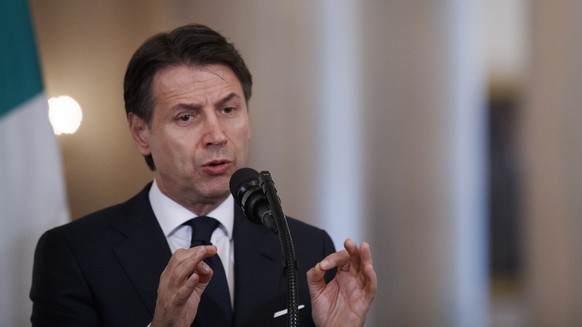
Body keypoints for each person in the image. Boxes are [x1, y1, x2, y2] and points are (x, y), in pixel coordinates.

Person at [30, 23, 376, 327]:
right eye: (186, 117)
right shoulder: (75, 253)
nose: (216, 134)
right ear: (141, 134)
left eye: (228, 109)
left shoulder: (306, 246)